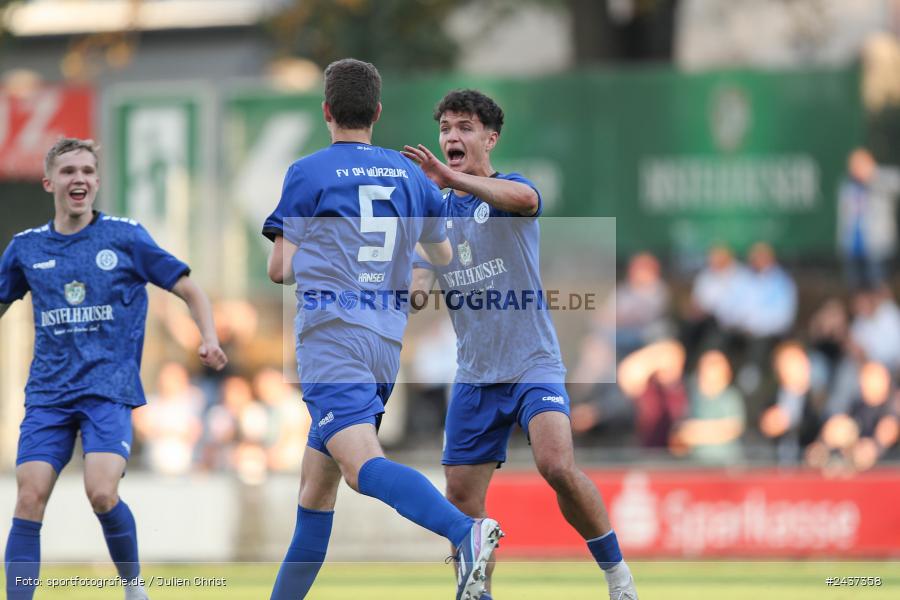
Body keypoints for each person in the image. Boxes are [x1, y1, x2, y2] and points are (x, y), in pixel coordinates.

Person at [262, 60, 502, 600]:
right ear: (377, 113)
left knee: (361, 468)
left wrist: (337, 254)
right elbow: (441, 256)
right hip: (383, 343)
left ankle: (466, 531)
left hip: (332, 336)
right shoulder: (409, 173)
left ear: (326, 111)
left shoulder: (308, 172)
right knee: (314, 494)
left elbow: (280, 268)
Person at [404, 89, 639, 600]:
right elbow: (420, 285)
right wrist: (401, 291)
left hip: (533, 363)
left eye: (464, 127)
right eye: (445, 127)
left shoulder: (510, 189)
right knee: (462, 499)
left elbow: (528, 203)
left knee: (556, 465)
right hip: (474, 375)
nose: (451, 136)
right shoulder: (434, 215)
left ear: (491, 138)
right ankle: (477, 593)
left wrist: (452, 180)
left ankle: (618, 578)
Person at [0, 138, 228, 600]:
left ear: (97, 181)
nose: (78, 178)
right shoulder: (26, 248)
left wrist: (208, 336)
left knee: (101, 492)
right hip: (48, 394)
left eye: (86, 171)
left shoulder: (124, 237)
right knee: (29, 497)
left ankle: (133, 586)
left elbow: (189, 288)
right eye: (67, 172)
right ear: (50, 183)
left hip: (109, 389)